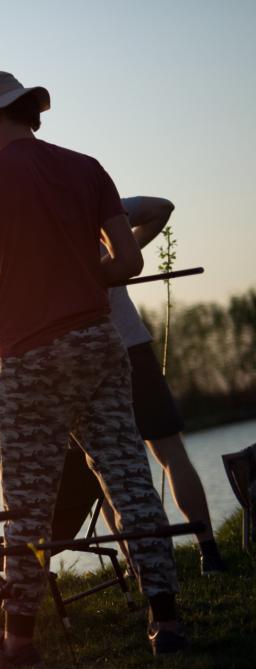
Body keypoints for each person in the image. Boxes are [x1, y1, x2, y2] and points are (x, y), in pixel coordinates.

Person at [0, 71, 186, 669]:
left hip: (28, 359)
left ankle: (19, 641)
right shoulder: (87, 167)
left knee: (26, 503)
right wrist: (81, 281)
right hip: (99, 345)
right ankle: (167, 619)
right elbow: (127, 260)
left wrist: (21, 301)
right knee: (129, 478)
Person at [51, 196, 226, 575]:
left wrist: (120, 253)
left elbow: (162, 207)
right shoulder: (87, 206)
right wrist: (117, 255)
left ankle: (162, 563)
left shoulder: (70, 215)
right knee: (159, 456)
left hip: (96, 357)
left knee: (113, 470)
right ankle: (203, 554)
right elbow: (160, 208)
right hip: (115, 352)